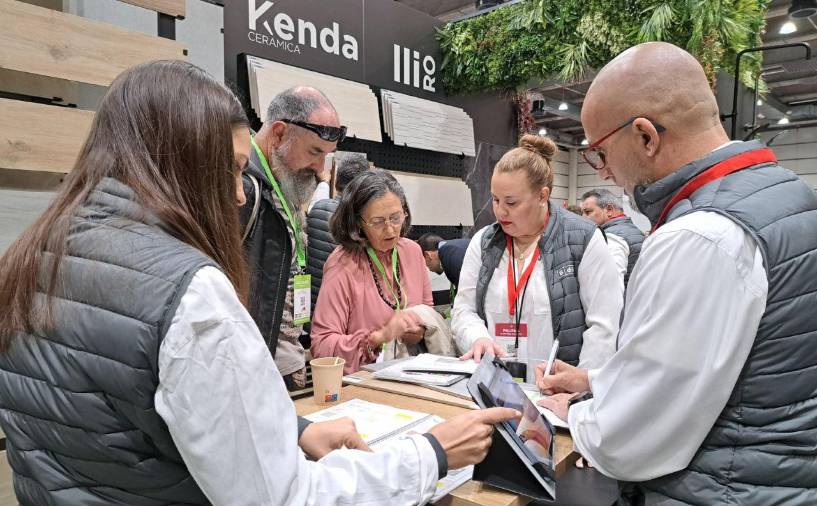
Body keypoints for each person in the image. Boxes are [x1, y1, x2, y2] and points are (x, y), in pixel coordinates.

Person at [0, 60, 520, 506]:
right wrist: (429, 454)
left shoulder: (31, 257)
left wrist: (294, 430)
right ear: (178, 162)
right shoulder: (189, 294)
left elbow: (133, 424)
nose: (240, 194)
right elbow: (282, 496)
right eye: (228, 169)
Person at [536, 42, 817, 505]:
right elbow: (748, 369)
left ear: (646, 136)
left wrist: (574, 416)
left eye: (600, 153)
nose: (605, 171)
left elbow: (634, 439)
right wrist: (598, 382)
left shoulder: (701, 235)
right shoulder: (786, 195)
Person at [451, 135, 623, 383]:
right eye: (496, 200)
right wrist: (477, 337)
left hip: (556, 392)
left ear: (543, 195)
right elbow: (464, 309)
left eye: (511, 202)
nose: (500, 211)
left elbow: (605, 326)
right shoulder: (484, 242)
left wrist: (579, 386)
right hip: (495, 384)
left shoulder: (583, 239)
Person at [241, 86, 344, 391]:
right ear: (278, 134)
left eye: (327, 156)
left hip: (285, 360)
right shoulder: (244, 192)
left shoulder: (283, 187)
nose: (320, 170)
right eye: (314, 152)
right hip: (257, 372)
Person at [311, 169, 439, 373]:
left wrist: (420, 330)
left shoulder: (412, 251)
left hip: (414, 376)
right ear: (357, 224)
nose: (390, 230)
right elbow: (322, 345)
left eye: (396, 218)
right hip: (366, 386)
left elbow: (427, 311)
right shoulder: (343, 263)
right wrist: (376, 339)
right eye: (377, 222)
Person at [306, 153, 369, 307]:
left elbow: (317, 201)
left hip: (310, 306)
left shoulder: (317, 209)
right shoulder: (362, 223)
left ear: (337, 183)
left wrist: (324, 181)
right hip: (340, 313)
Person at [580, 188, 644, 286]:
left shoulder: (611, 237)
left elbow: (608, 285)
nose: (583, 217)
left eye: (588, 212)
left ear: (609, 210)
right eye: (582, 213)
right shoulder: (635, 230)